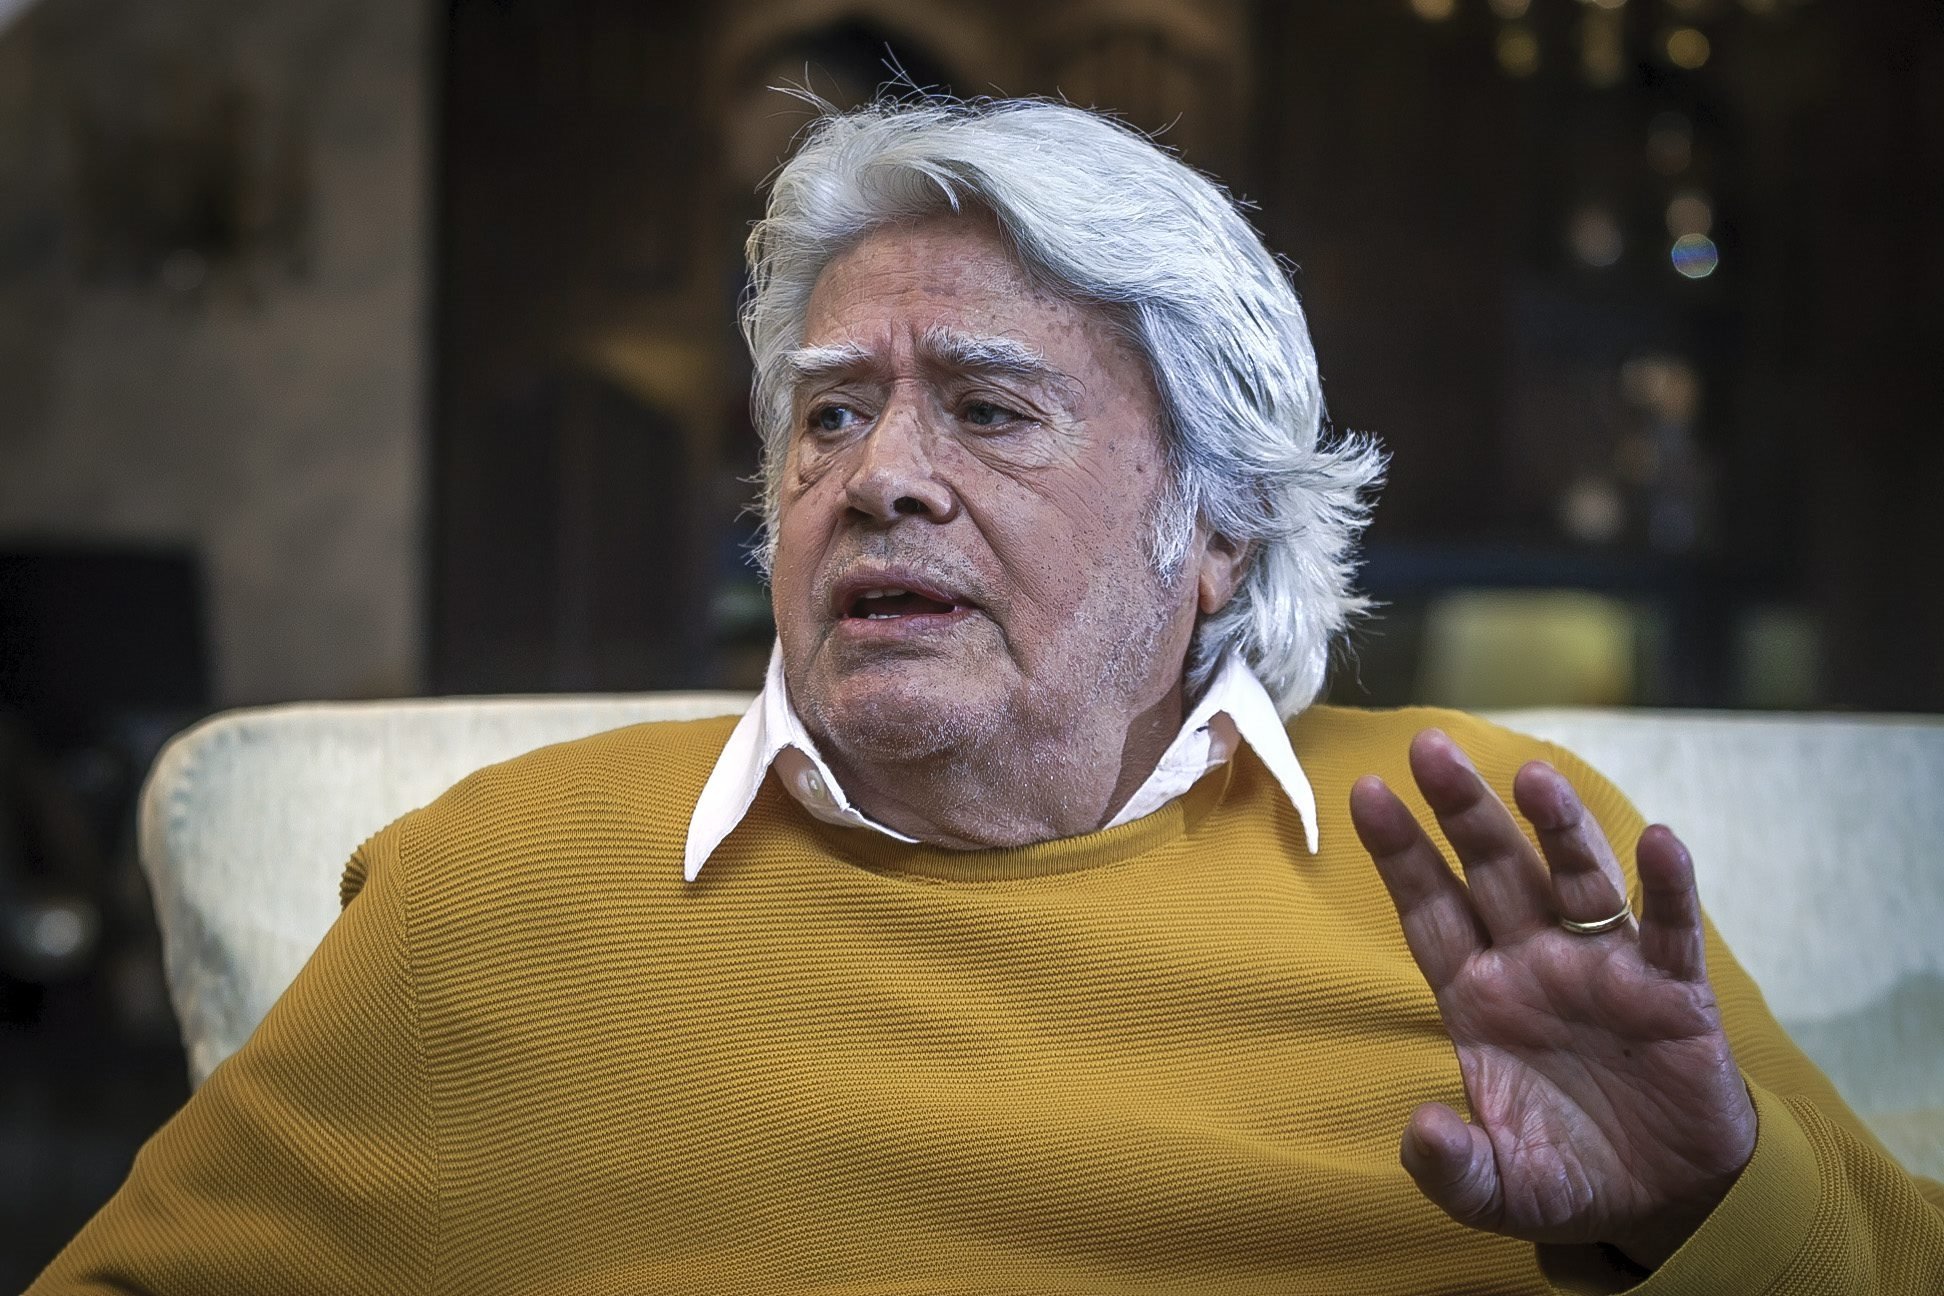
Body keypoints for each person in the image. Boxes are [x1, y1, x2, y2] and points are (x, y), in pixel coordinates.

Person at [32, 96, 1944, 1294]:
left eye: (991, 408)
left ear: (1218, 528)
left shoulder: (1486, 852)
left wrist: (1709, 1215)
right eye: (830, 414)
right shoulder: (493, 890)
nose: (880, 477)